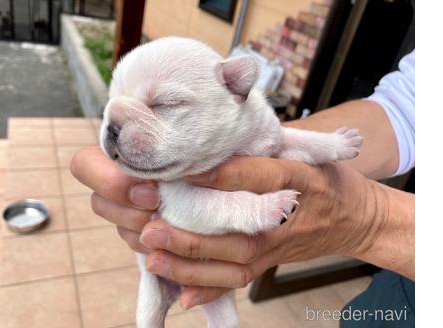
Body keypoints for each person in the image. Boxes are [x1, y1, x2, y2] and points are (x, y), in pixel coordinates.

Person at [71, 50, 415, 327]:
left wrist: (371, 219)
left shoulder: (251, 112)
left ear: (235, 87)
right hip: (402, 288)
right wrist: (326, 147)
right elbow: (407, 107)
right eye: (114, 105)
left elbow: (282, 143)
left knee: (222, 315)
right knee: (152, 305)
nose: (114, 127)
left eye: (164, 104)